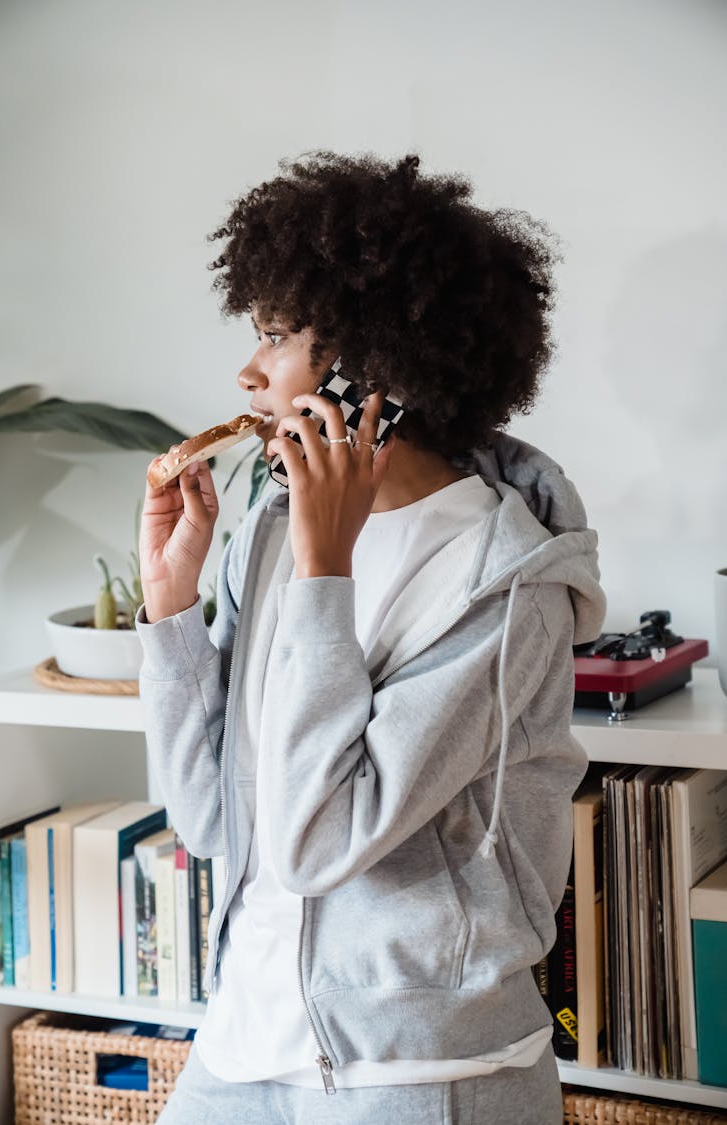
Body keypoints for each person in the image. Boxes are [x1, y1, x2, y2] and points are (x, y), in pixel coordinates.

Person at [137, 152, 606, 1125]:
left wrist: (326, 576)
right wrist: (173, 609)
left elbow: (317, 843)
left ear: (371, 368)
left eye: (275, 336)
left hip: (423, 1074)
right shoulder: (272, 527)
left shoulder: (503, 583)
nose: (249, 371)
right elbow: (217, 824)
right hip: (243, 1042)